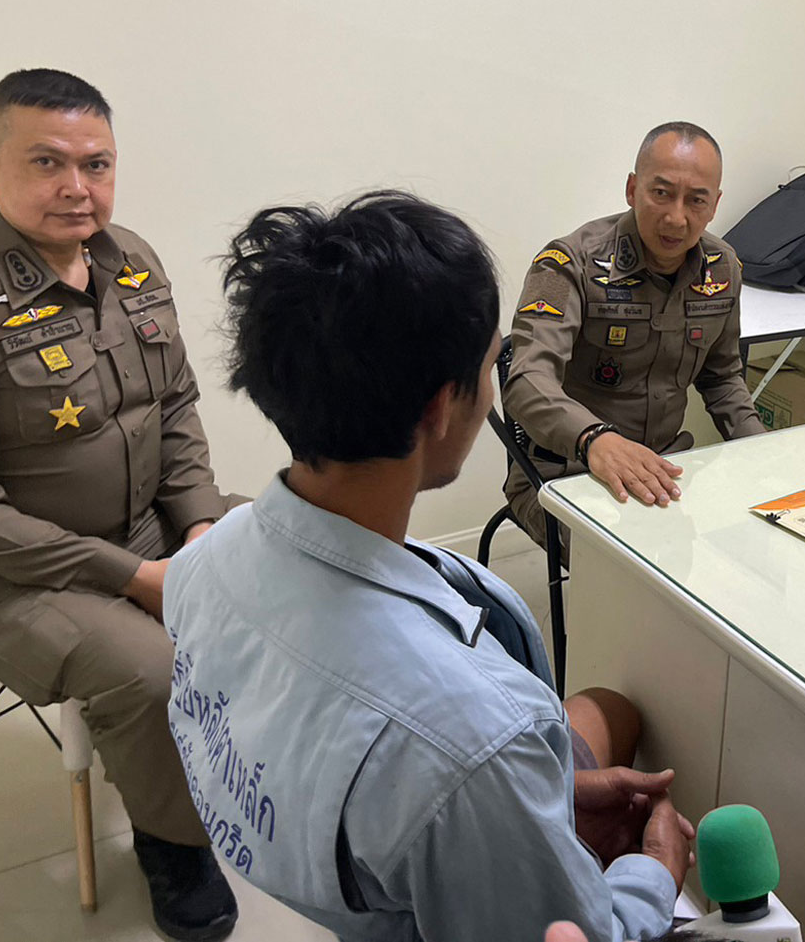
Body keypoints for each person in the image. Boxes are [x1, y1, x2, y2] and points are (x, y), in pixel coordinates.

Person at [163, 191, 694, 941]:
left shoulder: (207, 557)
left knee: (607, 709)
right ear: (444, 406)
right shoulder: (475, 739)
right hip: (451, 842)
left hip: (352, 847)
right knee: (615, 716)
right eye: (490, 366)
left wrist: (531, 800)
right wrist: (655, 873)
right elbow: (581, 929)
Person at [0, 69, 237, 941]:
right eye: (47, 161)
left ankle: (269, 776)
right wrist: (135, 576)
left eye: (97, 164)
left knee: (304, 546)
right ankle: (173, 842)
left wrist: (200, 521)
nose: (76, 187)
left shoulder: (130, 257)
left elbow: (172, 410)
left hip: (145, 531)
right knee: (149, 671)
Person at [502, 122, 764, 548]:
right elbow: (528, 380)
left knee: (749, 548)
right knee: (636, 569)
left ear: (714, 205)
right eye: (661, 193)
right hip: (566, 472)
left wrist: (763, 453)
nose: (677, 218)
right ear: (632, 189)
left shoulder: (722, 269)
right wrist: (594, 440)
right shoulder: (569, 264)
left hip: (667, 468)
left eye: (696, 200)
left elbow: (722, 378)